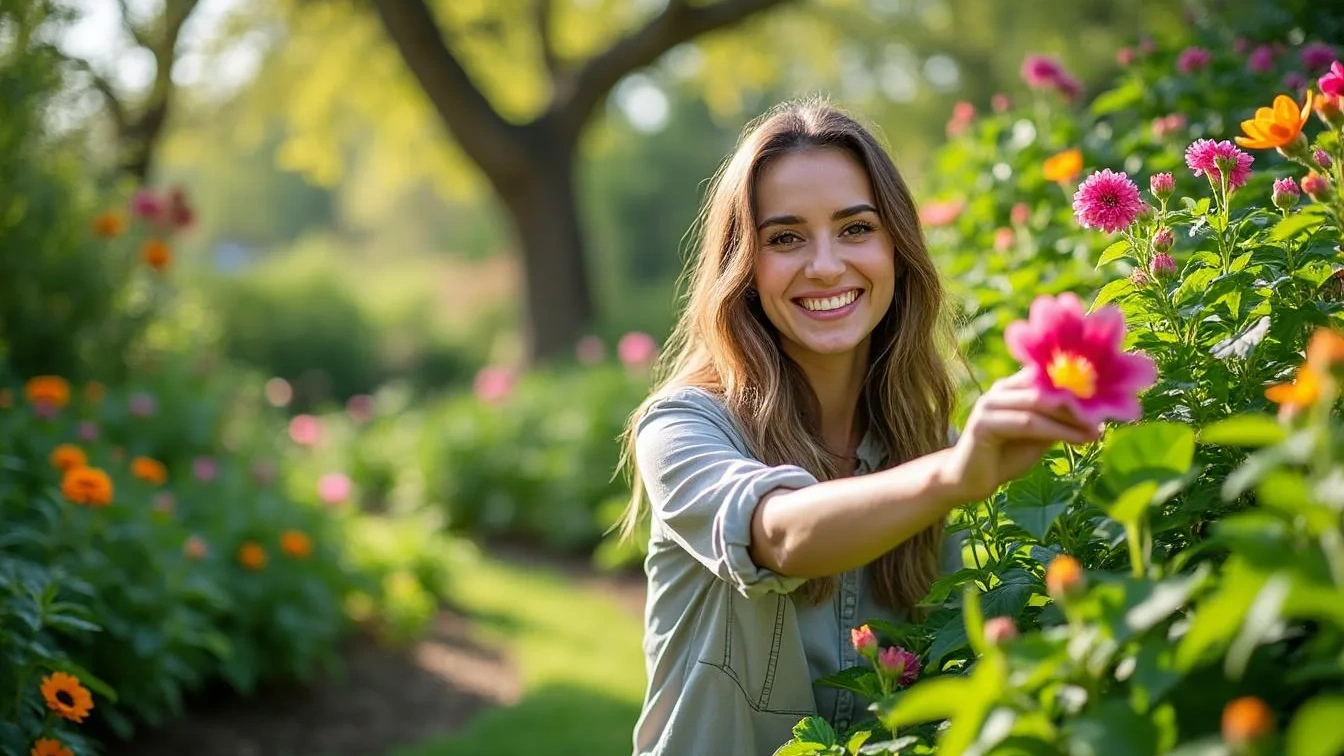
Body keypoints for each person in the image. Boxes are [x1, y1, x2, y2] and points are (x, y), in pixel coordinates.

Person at [616, 99, 1101, 756]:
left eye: (855, 228)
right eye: (785, 238)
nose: (824, 266)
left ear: (896, 249)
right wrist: (954, 476)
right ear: (744, 268)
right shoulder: (683, 427)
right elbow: (778, 535)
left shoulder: (924, 446)